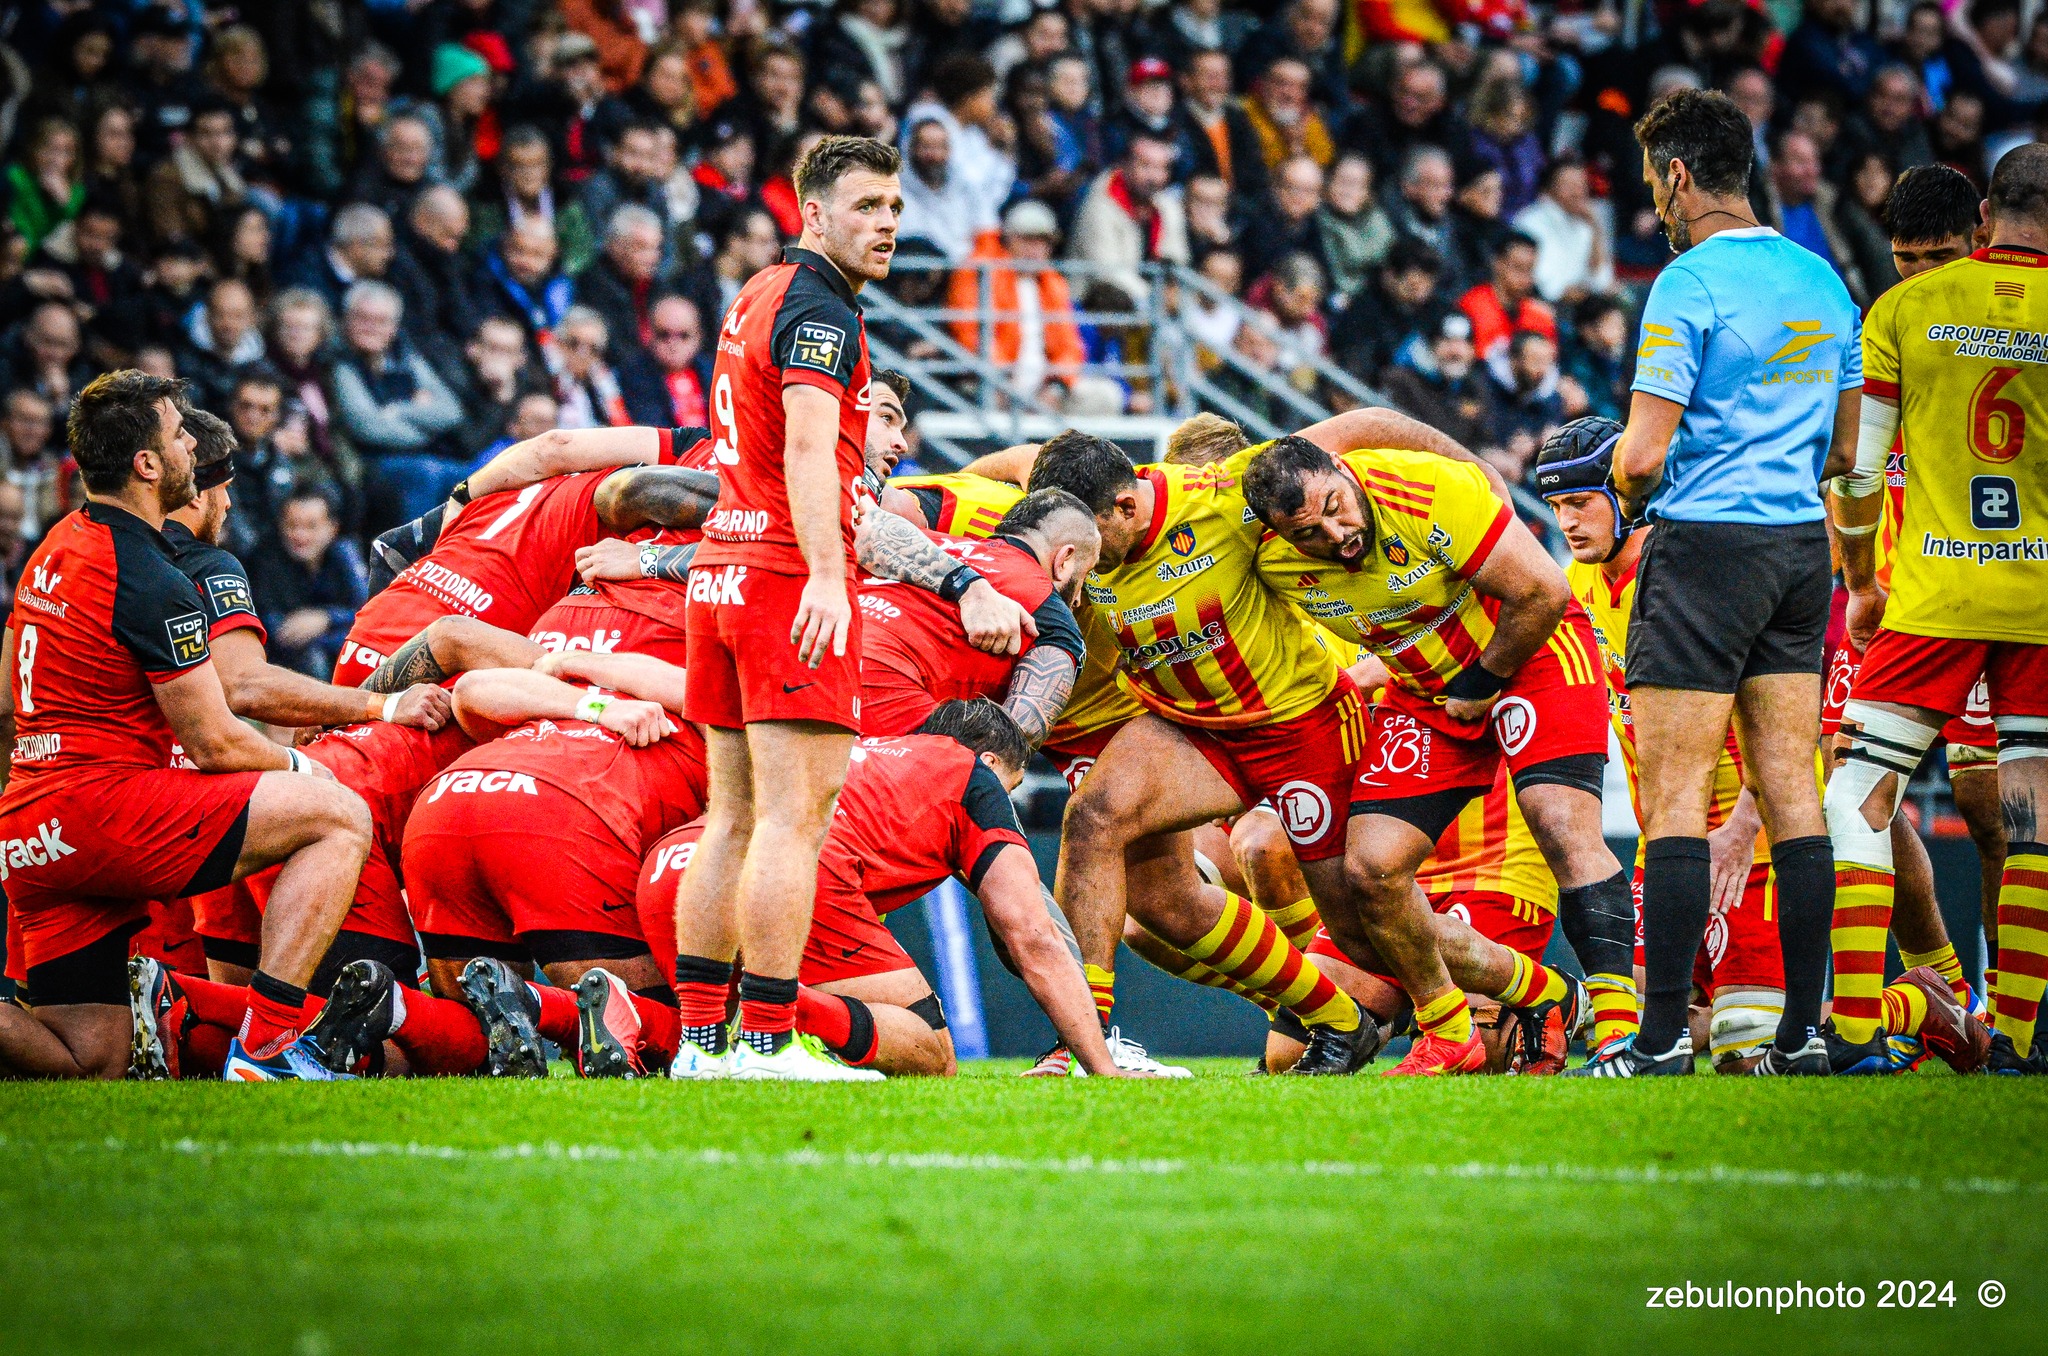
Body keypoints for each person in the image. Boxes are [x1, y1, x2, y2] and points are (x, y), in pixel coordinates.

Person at [668, 135, 1029, 1081]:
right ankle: (764, 1039)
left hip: (721, 572)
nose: (888, 226)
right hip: (785, 577)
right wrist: (830, 576)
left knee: (733, 818)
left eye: (897, 210)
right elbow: (806, 452)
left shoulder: (754, 293)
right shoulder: (820, 307)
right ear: (813, 214)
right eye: (867, 207)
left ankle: (702, 1044)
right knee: (795, 820)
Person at [0, 371, 372, 1082]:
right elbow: (217, 739)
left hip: (29, 824)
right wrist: (312, 771)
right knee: (338, 816)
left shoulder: (53, 548)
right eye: (178, 436)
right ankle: (267, 1051)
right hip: (103, 813)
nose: (192, 455)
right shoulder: (151, 575)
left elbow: (3, 701)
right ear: (147, 464)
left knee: (89, 1061)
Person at [1240, 433, 1637, 1075]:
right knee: (1368, 871)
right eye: (1309, 532)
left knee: (1563, 824)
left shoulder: (1424, 489)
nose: (1337, 534)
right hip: (1427, 692)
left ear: (1343, 469)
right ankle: (1472, 1020)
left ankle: (1622, 1039)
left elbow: (1542, 592)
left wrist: (1482, 683)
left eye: (1337, 506)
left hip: (1529, 657)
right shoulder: (1265, 562)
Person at [1604, 89, 1862, 1077]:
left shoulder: (1684, 285)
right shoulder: (1820, 280)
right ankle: (1803, 1033)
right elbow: (1844, 452)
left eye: (1652, 187)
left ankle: (1661, 1036)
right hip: (1799, 551)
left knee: (1674, 798)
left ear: (1676, 176)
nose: (1655, 209)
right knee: (1791, 791)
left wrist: (1626, 485)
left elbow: (1637, 459)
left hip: (1705, 547)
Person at [1826, 143, 2048, 1075]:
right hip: (2038, 596)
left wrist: (1862, 579)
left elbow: (1858, 470)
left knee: (1855, 794)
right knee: (2032, 813)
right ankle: (2021, 1034)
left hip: (1933, 593)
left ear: (1986, 218)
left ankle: (1852, 1029)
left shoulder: (1904, 312)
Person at [646, 701, 1125, 1077]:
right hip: (794, 873)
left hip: (678, 868)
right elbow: (1033, 935)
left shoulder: (875, 754)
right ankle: (770, 1007)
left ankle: (589, 1011)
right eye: (1012, 785)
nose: (1009, 799)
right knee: (930, 1051)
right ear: (989, 759)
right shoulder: (969, 775)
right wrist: (1103, 1065)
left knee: (690, 1036)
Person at [1537, 421, 1806, 1074]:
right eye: (1556, 507)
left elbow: (1789, 725)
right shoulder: (1576, 584)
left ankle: (1902, 1008)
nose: (1568, 522)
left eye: (1580, 502)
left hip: (1754, 832)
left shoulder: (1707, 573)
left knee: (1747, 1049)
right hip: (1671, 840)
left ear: (1628, 493)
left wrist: (1743, 828)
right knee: (1634, 1024)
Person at [859, 489, 1095, 742]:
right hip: (882, 702)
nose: (1079, 599)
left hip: (823, 652)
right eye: (1086, 575)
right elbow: (1021, 734)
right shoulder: (1049, 612)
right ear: (1064, 560)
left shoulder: (915, 543)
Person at [944, 199, 1087, 407]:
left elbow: (1069, 347)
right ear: (1008, 240)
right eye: (1027, 240)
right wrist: (1004, 379)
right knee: (986, 397)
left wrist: (1058, 386)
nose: (1035, 249)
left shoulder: (1054, 283)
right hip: (993, 383)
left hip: (1045, 389)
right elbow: (970, 335)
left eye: (1043, 242)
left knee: (1102, 396)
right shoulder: (979, 273)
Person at [249, 490, 370, 678]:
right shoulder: (265, 559)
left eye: (311, 526)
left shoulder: (344, 553)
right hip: (284, 664)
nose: (300, 535)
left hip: (332, 646)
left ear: (332, 528)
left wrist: (327, 618)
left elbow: (369, 613)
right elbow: (280, 633)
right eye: (292, 526)